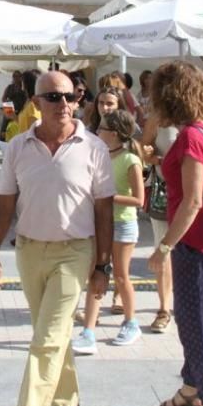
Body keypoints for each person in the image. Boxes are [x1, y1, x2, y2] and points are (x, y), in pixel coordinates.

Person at [0, 71, 114, 406]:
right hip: (28, 250)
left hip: (75, 252)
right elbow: (5, 204)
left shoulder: (94, 148)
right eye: (54, 98)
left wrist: (103, 266)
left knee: (46, 341)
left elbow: (105, 212)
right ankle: (64, 400)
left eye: (71, 97)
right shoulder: (17, 147)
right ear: (36, 103)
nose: (65, 105)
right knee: (50, 334)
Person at [148, 61, 203, 406]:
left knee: (198, 325)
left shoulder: (192, 138)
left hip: (198, 244)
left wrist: (164, 246)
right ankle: (191, 386)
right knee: (189, 319)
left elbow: (193, 201)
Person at [72, 109, 144, 355]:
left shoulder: (130, 160)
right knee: (96, 274)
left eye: (101, 129)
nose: (97, 132)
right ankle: (88, 331)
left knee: (122, 276)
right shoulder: (97, 155)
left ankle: (131, 322)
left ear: (113, 134)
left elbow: (139, 200)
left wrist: (109, 197)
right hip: (100, 222)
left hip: (123, 223)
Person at [141, 112, 177, 333]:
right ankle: (164, 309)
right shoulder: (158, 118)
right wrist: (155, 158)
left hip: (195, 196)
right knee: (162, 249)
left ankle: (185, 302)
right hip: (164, 192)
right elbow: (145, 149)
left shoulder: (198, 118)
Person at [16, 69, 42, 133]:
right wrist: (13, 117)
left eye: (22, 81)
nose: (21, 83)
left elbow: (34, 129)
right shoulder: (28, 102)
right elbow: (24, 123)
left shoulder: (32, 104)